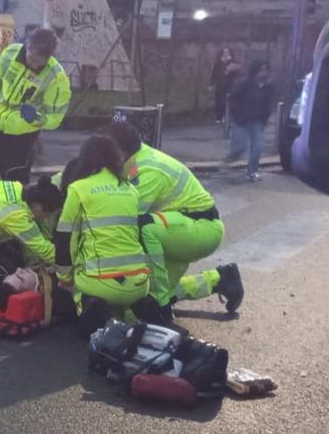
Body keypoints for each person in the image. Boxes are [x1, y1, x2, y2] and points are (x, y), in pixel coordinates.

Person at [101, 122, 244, 318]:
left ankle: (161, 304)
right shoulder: (134, 160)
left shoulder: (148, 172)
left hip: (199, 230)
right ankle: (219, 279)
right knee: (144, 298)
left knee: (142, 228)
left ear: (121, 153)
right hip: (175, 227)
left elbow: (123, 220)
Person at [55, 136, 151, 336]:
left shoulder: (79, 188)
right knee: (121, 300)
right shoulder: (131, 189)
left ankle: (89, 309)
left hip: (101, 282)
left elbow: (65, 238)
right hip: (140, 283)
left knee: (75, 282)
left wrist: (64, 277)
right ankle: (128, 314)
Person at [0, 28, 71, 190]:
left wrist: (35, 117)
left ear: (49, 57)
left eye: (38, 62)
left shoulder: (57, 79)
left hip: (21, 139)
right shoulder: (10, 54)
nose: (33, 64)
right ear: (27, 45)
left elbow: (55, 118)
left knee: (14, 190)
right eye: (31, 57)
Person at [226, 60, 274, 181]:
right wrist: (236, 115)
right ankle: (232, 157)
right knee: (240, 146)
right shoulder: (245, 83)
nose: (263, 73)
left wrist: (265, 117)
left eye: (265, 70)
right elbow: (233, 98)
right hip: (242, 119)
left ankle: (252, 171)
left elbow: (268, 102)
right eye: (261, 70)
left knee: (257, 147)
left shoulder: (267, 86)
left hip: (257, 120)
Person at [210, 47, 234, 123]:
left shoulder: (232, 62)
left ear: (229, 53)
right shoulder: (218, 63)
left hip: (229, 85)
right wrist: (211, 84)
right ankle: (218, 117)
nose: (226, 53)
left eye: (227, 52)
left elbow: (236, 74)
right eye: (224, 52)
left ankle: (225, 116)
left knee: (226, 101)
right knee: (218, 101)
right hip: (219, 84)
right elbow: (214, 73)